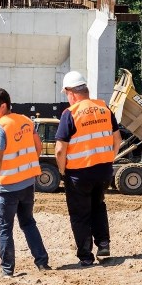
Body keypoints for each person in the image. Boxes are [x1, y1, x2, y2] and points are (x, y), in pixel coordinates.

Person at [54, 71, 122, 267]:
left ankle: (86, 256)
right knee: (98, 206)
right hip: (103, 171)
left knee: (80, 214)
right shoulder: (104, 109)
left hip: (78, 174)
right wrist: (109, 158)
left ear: (71, 93)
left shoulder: (70, 114)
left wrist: (62, 171)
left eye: (66, 95)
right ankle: (103, 244)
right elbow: (117, 140)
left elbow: (60, 150)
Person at [0, 88, 50, 277]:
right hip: (28, 183)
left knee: (5, 229)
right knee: (28, 223)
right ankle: (42, 262)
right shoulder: (26, 121)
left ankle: (7, 270)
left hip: (7, 188)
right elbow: (38, 147)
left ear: (3, 106)